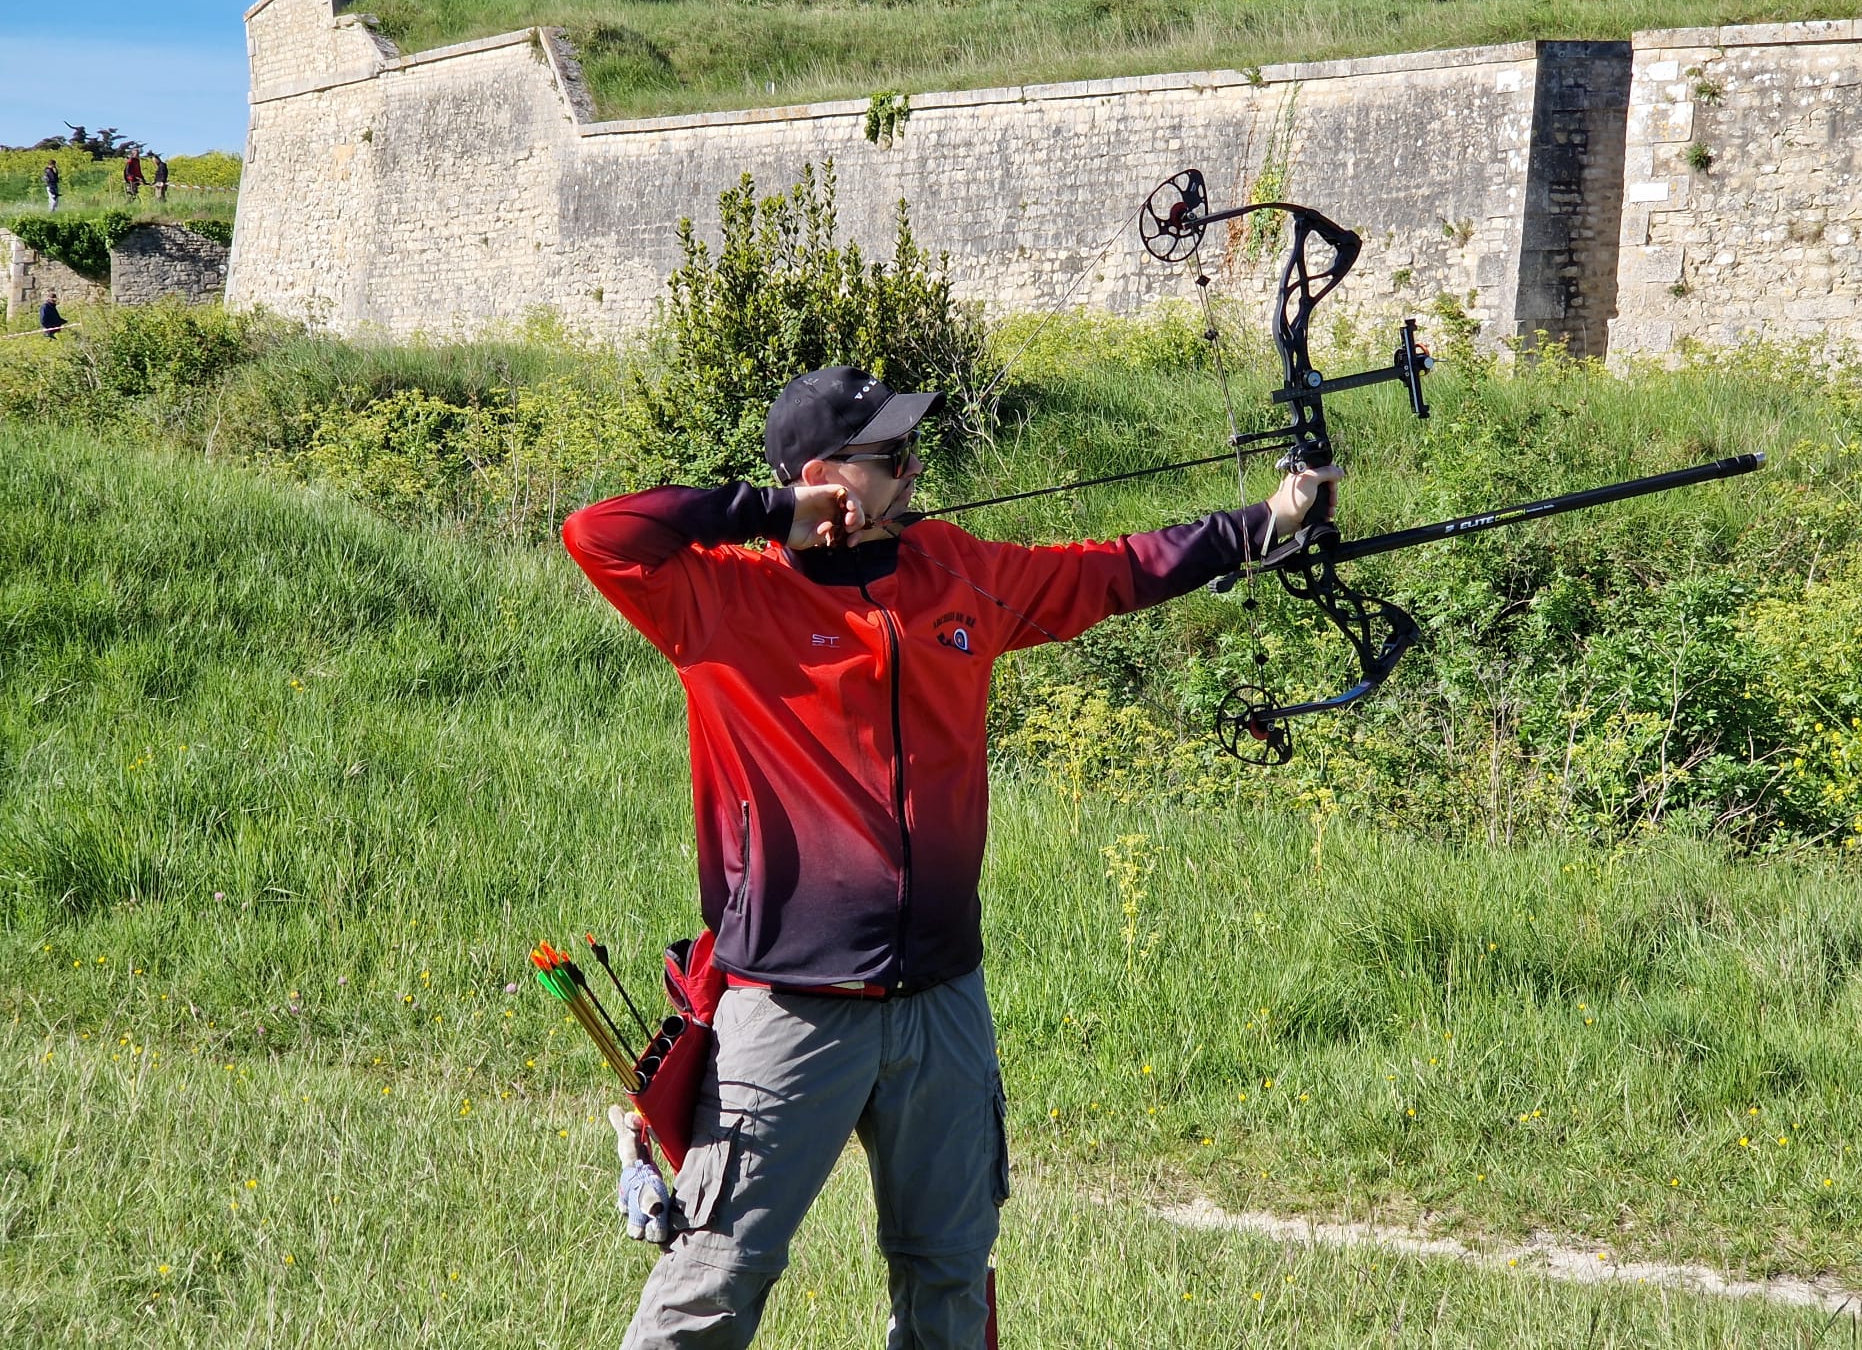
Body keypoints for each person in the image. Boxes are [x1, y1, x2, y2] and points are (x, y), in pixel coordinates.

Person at [562, 364, 1342, 1350]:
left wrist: (1271, 520)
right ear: (824, 477)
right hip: (791, 1003)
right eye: (890, 455)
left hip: (940, 1001)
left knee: (949, 1278)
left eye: (910, 449)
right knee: (714, 1280)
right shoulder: (720, 598)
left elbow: (1109, 571)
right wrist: (769, 510)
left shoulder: (952, 570)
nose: (914, 467)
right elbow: (597, 532)